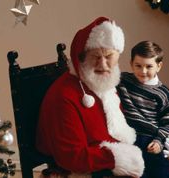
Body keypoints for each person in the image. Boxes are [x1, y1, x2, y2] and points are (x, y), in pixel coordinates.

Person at [36, 17, 145, 178]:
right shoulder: (64, 96)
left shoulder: (102, 86)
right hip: (83, 169)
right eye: (95, 56)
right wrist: (117, 158)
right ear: (81, 58)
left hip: (105, 158)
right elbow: (72, 157)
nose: (103, 64)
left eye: (109, 56)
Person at [117, 40, 169, 178]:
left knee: (160, 171)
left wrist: (158, 141)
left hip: (151, 139)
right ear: (131, 63)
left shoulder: (164, 93)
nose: (143, 71)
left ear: (159, 66)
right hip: (128, 137)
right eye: (138, 66)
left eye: (149, 66)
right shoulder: (123, 80)